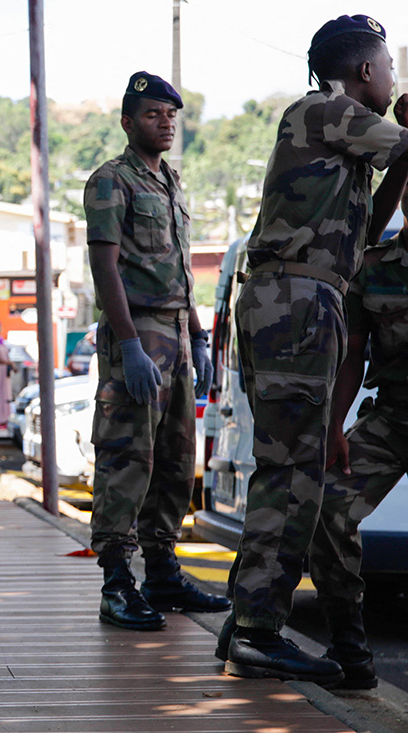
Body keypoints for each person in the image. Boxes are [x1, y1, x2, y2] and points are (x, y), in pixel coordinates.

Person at [217, 15, 408, 685]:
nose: (393, 79)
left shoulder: (340, 140)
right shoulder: (327, 109)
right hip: (297, 299)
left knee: (288, 466)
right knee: (292, 472)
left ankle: (245, 619)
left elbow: (368, 230)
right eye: (389, 67)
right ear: (365, 71)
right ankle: (257, 632)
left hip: (302, 296)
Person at [83, 72, 229, 633]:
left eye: (171, 114)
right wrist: (128, 344)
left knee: (174, 459)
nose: (165, 123)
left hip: (176, 336)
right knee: (127, 457)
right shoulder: (111, 180)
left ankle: (162, 573)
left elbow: (181, 272)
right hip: (138, 334)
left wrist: (198, 336)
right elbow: (105, 267)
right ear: (128, 122)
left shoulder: (171, 182)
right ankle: (117, 584)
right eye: (152, 114)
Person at [306, 193, 408, 690]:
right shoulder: (374, 267)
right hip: (393, 419)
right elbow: (351, 355)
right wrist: (334, 428)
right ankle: (348, 646)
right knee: (328, 504)